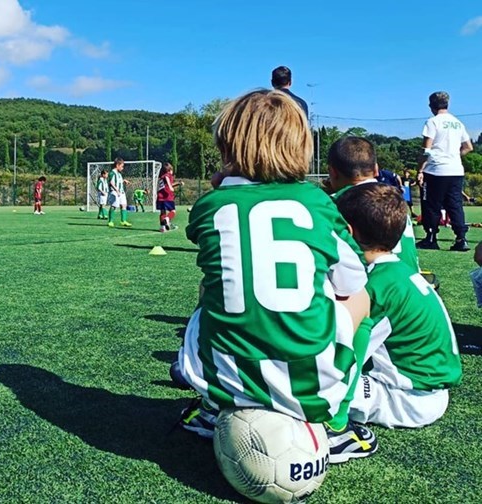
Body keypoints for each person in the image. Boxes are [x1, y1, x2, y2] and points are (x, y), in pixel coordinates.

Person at [177, 89, 375, 464]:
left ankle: (209, 408)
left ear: (227, 145)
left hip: (220, 378)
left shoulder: (208, 205)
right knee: (362, 296)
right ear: (300, 146)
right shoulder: (316, 202)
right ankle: (335, 423)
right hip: (310, 387)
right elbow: (351, 283)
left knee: (210, 288)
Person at [336, 183, 462, 428]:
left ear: (349, 233)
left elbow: (343, 353)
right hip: (424, 391)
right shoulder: (395, 271)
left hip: (407, 398)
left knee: (309, 385)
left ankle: (343, 437)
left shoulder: (378, 285)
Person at [326, 136, 420, 272]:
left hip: (370, 287)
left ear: (332, 172)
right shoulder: (392, 199)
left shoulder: (336, 203)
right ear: (376, 169)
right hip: (409, 279)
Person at [416, 91, 475, 252]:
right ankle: (461, 239)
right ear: (447, 104)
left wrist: (420, 169)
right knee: (455, 205)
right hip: (456, 169)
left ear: (431, 106)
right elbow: (468, 147)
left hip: (436, 169)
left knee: (431, 205)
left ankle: (431, 237)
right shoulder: (457, 123)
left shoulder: (433, 122)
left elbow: (426, 150)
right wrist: (454, 155)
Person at [156, 162, 182, 232]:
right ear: (170, 169)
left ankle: (162, 227)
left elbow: (166, 184)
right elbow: (167, 180)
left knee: (162, 212)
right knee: (173, 211)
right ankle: (167, 219)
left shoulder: (161, 177)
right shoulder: (168, 175)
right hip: (167, 196)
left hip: (160, 197)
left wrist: (177, 183)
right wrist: (171, 187)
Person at [107, 158, 131, 227]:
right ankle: (110, 221)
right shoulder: (112, 173)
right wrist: (116, 190)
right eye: (122, 166)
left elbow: (118, 180)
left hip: (121, 192)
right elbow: (111, 182)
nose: (122, 168)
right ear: (117, 165)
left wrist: (124, 181)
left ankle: (123, 221)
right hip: (114, 192)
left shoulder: (119, 174)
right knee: (114, 206)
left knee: (123, 205)